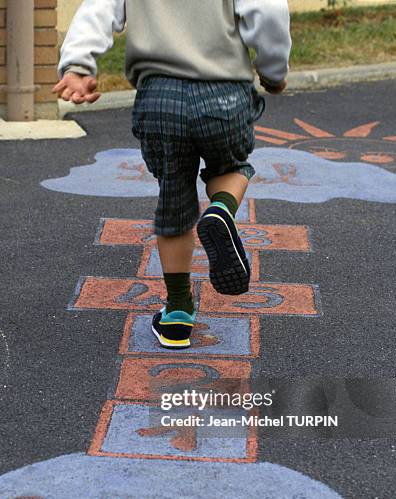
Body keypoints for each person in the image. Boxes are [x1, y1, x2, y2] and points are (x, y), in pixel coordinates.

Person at [53, 0, 291, 349]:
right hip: (223, 92)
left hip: (159, 98)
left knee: (174, 200)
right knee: (231, 168)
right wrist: (273, 71)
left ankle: (177, 314)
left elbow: (98, 10)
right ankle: (220, 210)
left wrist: (77, 65)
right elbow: (267, 10)